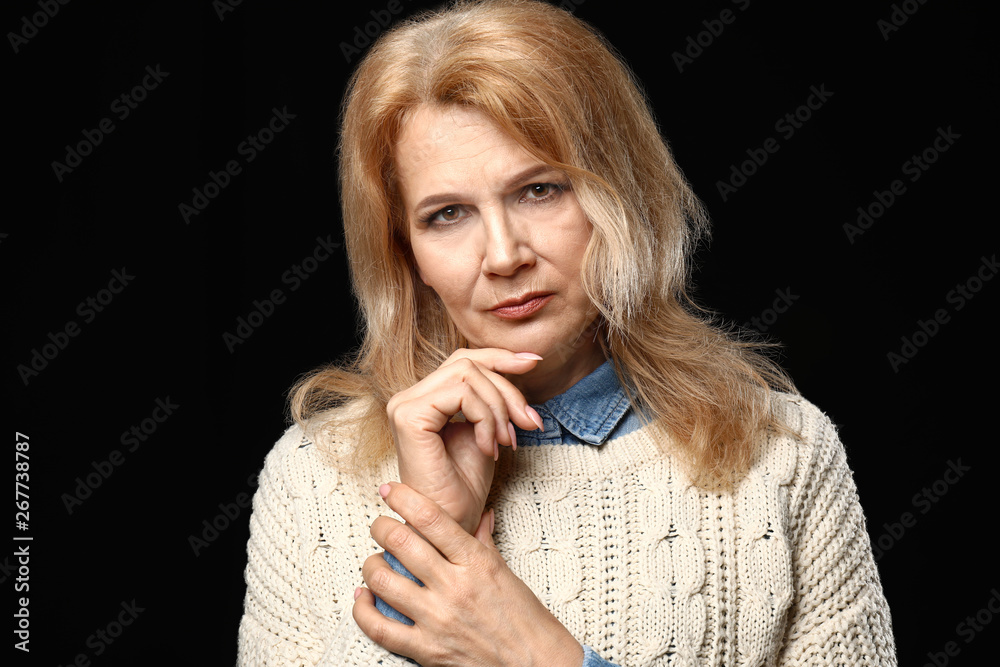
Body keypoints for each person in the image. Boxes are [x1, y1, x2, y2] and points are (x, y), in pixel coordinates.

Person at [237, 1, 897, 664]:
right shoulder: (310, 478)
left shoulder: (782, 454)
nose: (503, 255)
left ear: (617, 193)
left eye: (539, 190)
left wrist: (542, 655)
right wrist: (433, 531)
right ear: (405, 250)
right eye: (447, 214)